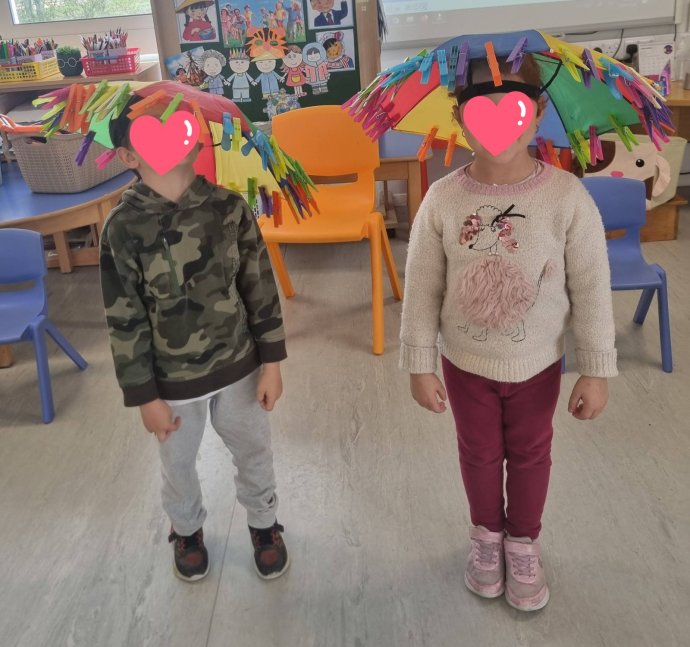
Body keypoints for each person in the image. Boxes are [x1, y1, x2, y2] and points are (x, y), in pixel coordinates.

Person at [401, 53, 616, 612]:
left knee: (530, 454)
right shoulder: (442, 199)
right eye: (482, 108)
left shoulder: (566, 197)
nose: (499, 122)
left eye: (515, 107)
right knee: (477, 453)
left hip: (538, 364)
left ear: (538, 112)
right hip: (464, 363)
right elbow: (421, 285)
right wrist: (419, 362)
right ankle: (486, 537)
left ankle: (522, 542)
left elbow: (592, 285)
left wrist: (597, 368)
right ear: (459, 117)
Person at [99, 97, 290, 583]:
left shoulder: (229, 208)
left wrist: (271, 361)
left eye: (177, 124)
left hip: (239, 365)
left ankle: (264, 522)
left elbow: (259, 285)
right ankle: (186, 529)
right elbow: (124, 318)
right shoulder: (122, 228)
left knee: (254, 448)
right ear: (128, 155)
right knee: (178, 462)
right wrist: (144, 396)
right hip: (172, 381)